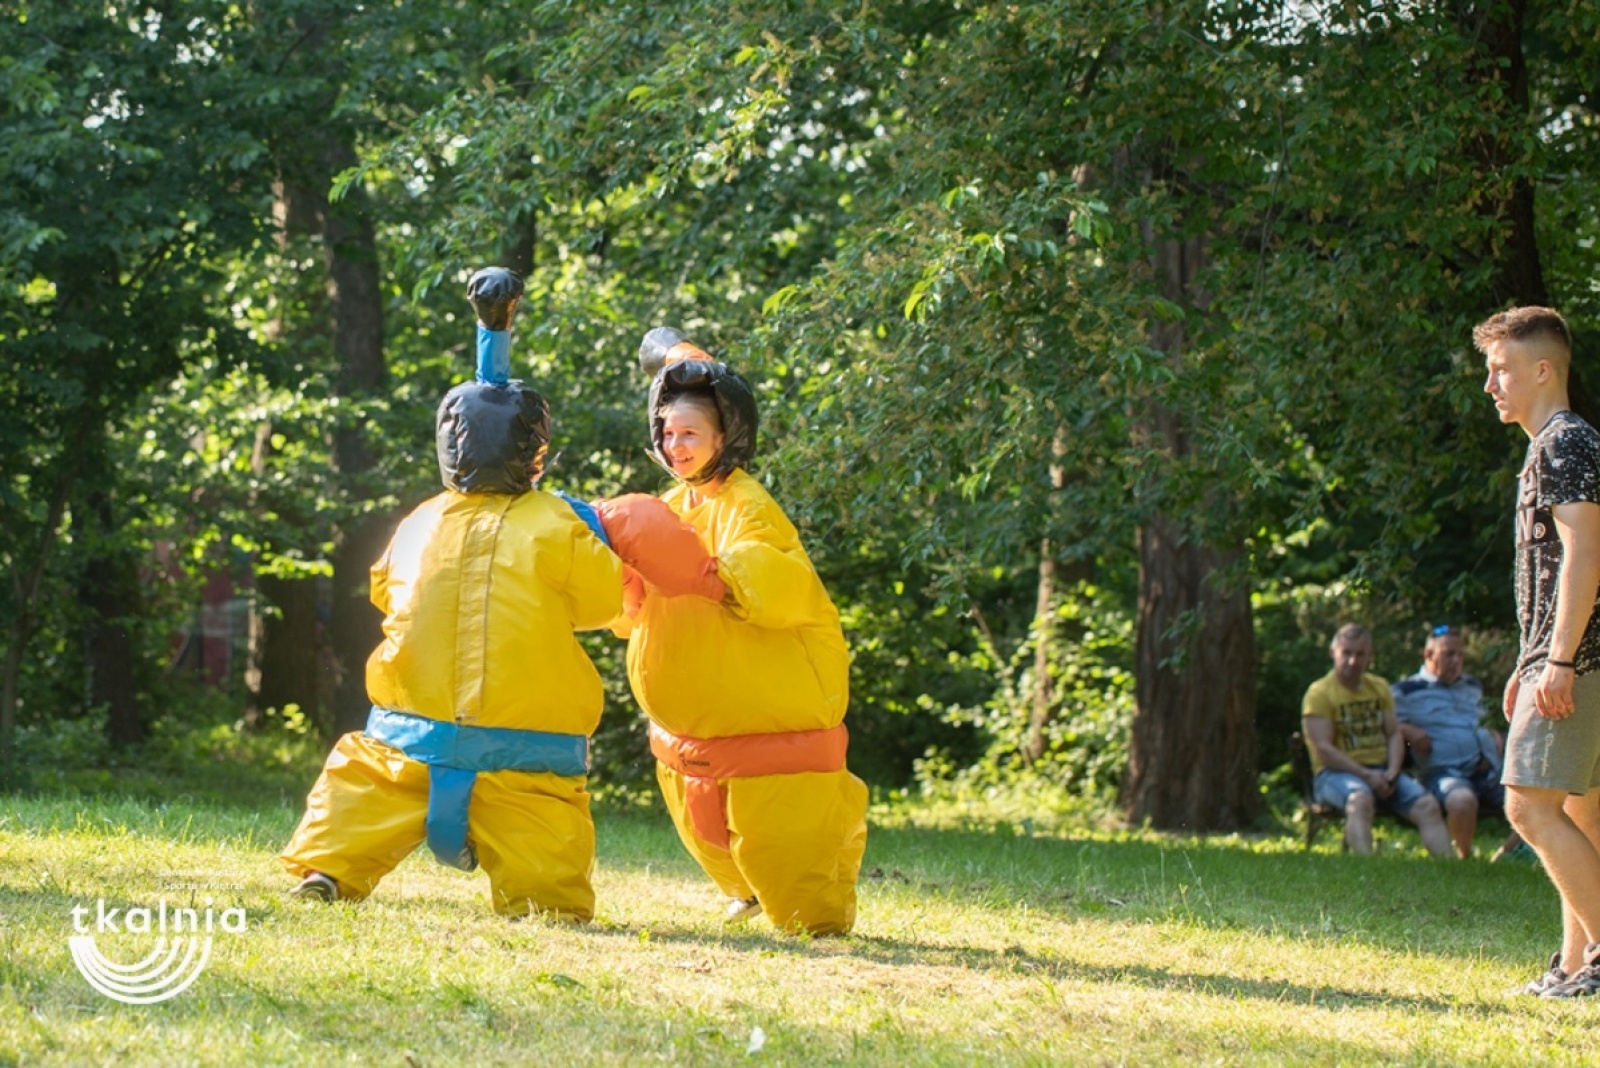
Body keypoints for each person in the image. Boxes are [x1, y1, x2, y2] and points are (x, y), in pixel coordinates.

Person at [279, 377, 624, 920]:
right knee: (543, 858)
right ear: (536, 456)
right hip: (523, 748)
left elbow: (382, 590)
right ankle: (546, 904)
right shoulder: (557, 525)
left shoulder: (421, 519)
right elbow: (604, 604)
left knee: (364, 793)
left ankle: (328, 871)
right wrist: (595, 539)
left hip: (412, 730)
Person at [605, 328, 868, 935]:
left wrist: (704, 570)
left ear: (725, 438)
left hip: (768, 734)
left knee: (801, 890)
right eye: (668, 434)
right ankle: (743, 892)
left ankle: (811, 915)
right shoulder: (671, 505)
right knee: (708, 830)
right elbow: (629, 611)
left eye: (690, 433)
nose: (676, 446)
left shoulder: (749, 504)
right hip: (688, 739)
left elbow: (774, 580)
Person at [1478, 305, 1600, 997]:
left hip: (1578, 663)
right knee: (1580, 810)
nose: (1491, 386)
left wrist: (1557, 662)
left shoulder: (1564, 442)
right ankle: (1576, 967)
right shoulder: (1555, 443)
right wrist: (1531, 662)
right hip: (1566, 660)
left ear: (1542, 369)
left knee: (1528, 807)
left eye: (1500, 370)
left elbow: (1587, 551)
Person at [1301, 623, 1452, 857]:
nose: (1353, 661)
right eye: (1347, 653)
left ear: (1369, 656)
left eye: (1360, 654)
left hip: (1383, 772)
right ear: (1334, 653)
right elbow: (1323, 749)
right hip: (1334, 775)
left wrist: (1392, 772)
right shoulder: (1319, 693)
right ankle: (1367, 867)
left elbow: (1393, 733)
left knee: (1427, 805)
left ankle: (1450, 867)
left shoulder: (1379, 687)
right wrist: (1366, 776)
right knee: (1359, 800)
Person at [1392, 626, 1519, 859]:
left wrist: (1492, 734)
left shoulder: (1471, 685)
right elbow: (1387, 727)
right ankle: (1465, 857)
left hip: (1490, 769)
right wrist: (1406, 729)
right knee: (1462, 800)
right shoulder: (1405, 691)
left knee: (1531, 798)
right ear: (1429, 655)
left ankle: (1502, 855)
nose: (1456, 661)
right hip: (1444, 773)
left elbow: (1480, 717)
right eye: (1449, 654)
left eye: (1460, 655)